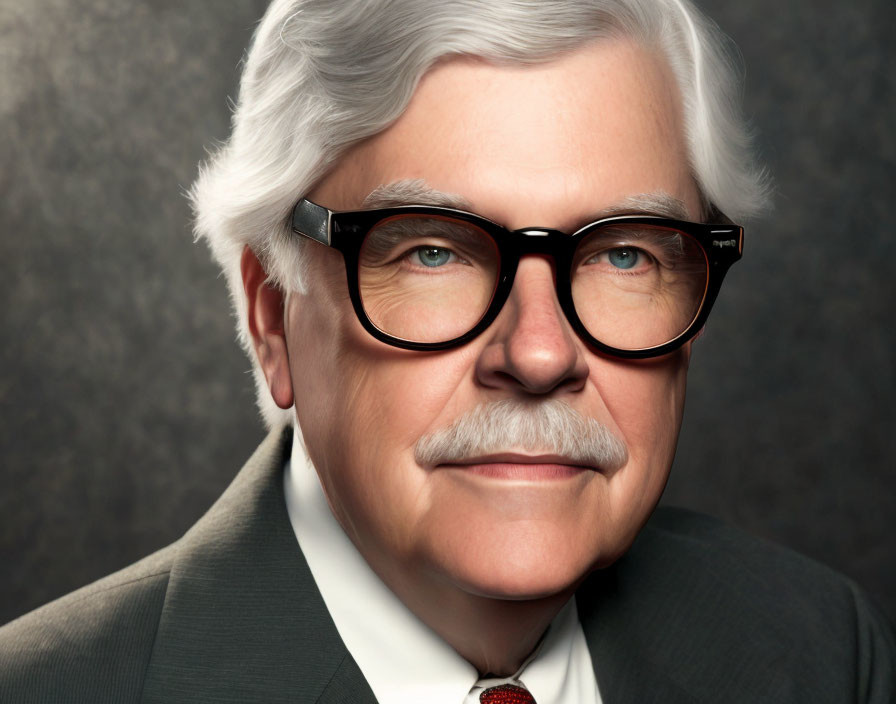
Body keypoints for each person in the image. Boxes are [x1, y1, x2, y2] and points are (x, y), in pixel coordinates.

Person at [1, 0, 893, 701]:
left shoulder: (820, 651)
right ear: (273, 313)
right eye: (433, 250)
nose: (540, 355)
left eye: (624, 252)